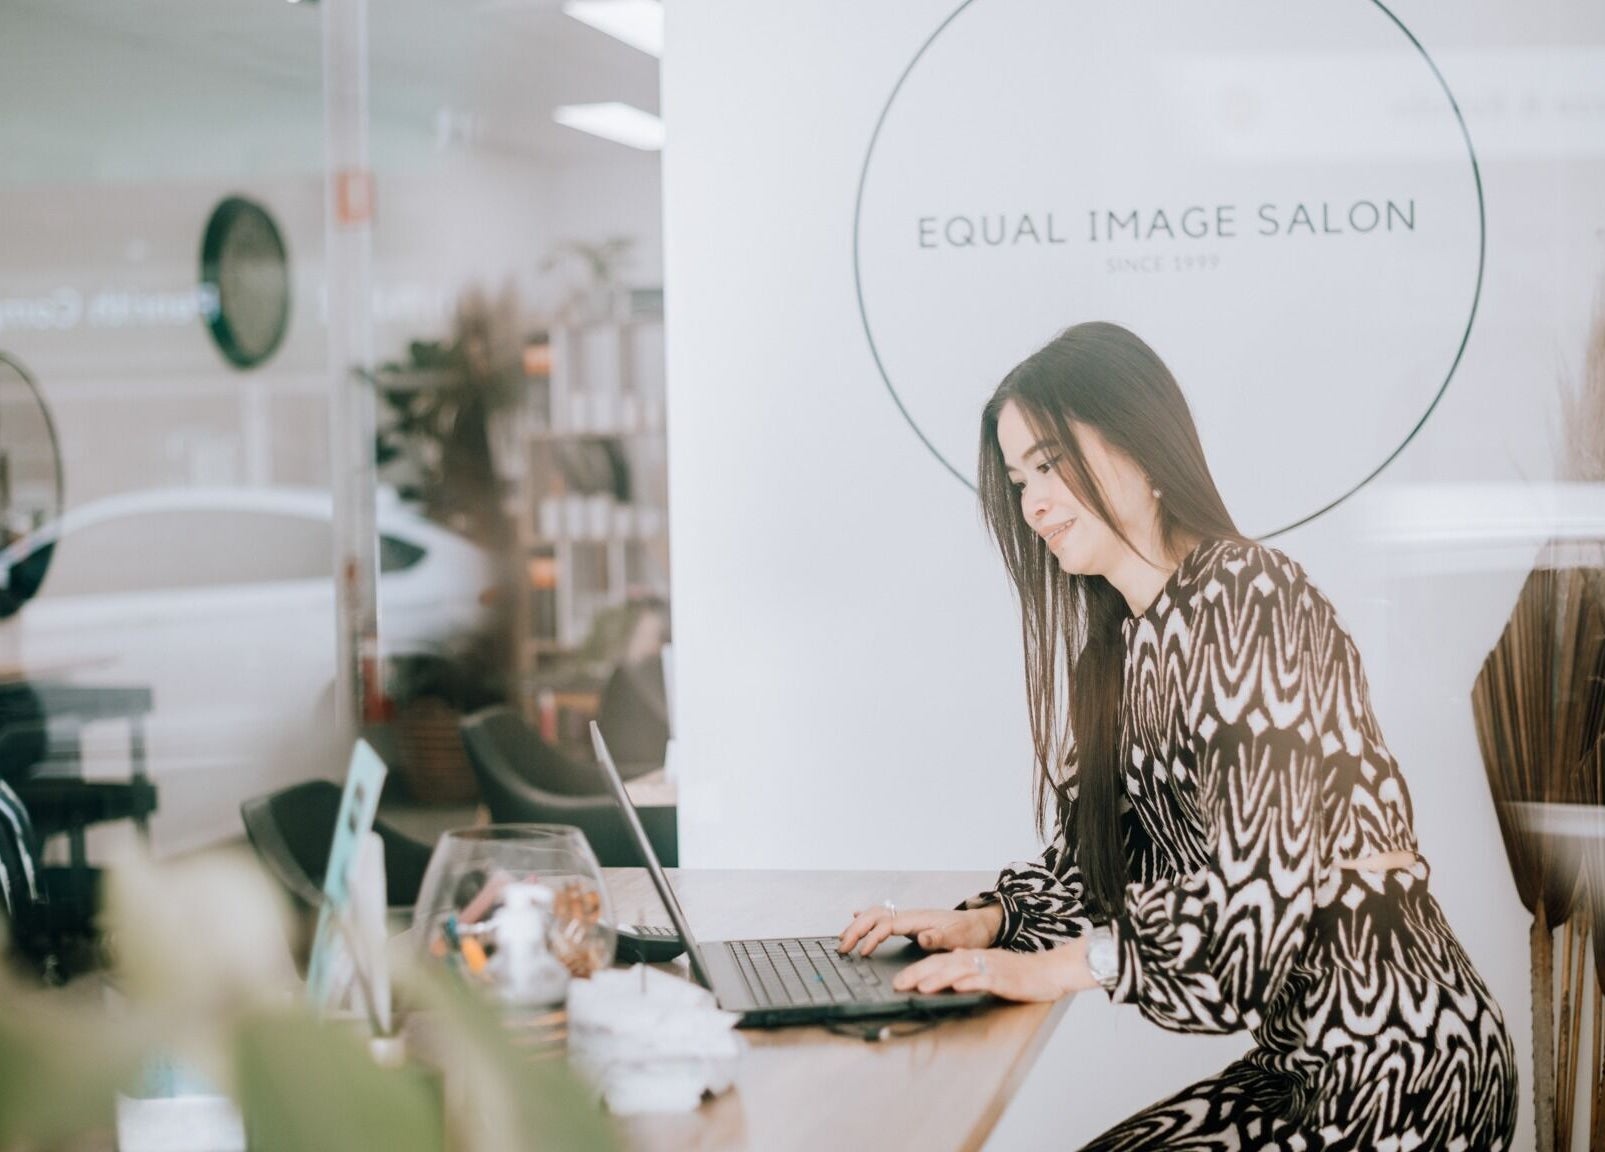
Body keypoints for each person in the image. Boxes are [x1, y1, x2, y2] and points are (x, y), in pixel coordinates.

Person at [837, 322, 1515, 1150]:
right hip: (1299, 1061)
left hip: (1403, 1061)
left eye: (1049, 464)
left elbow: (1254, 901)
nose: (1034, 504)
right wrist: (989, 921)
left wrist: (1046, 968)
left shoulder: (1248, 595)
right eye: (1019, 480)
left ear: (1141, 445)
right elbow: (1106, 860)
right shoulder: (1122, 647)